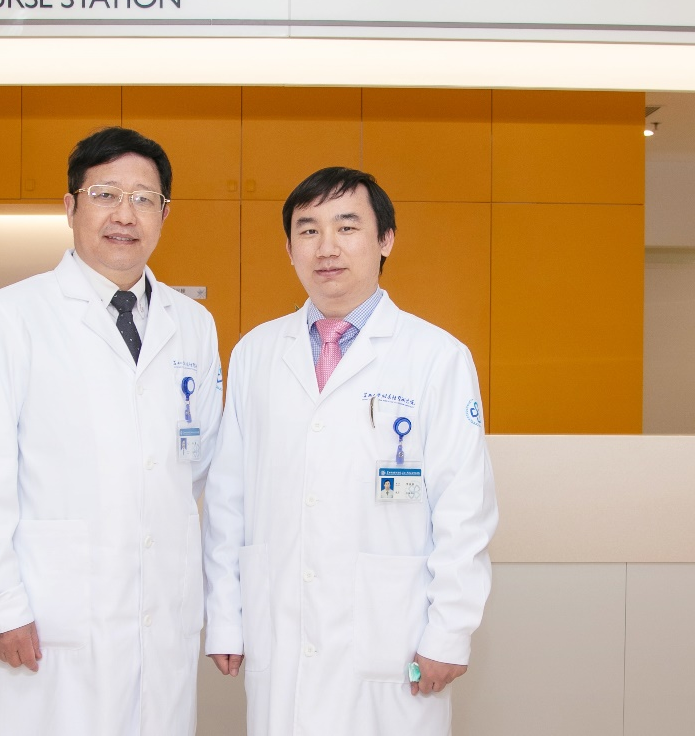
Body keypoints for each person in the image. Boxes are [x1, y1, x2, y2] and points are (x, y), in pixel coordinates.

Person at [0, 126, 224, 736]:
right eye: (105, 194)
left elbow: (196, 466)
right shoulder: (9, 316)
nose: (125, 214)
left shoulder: (193, 324)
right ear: (70, 207)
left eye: (144, 199)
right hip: (52, 616)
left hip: (162, 611)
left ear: (164, 214)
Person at [202, 167, 498, 736]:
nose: (327, 247)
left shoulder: (437, 357)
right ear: (289, 248)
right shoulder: (255, 352)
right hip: (281, 629)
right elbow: (227, 500)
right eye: (308, 230)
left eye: (347, 226)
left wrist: (450, 631)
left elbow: (464, 510)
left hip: (393, 637)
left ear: (385, 239)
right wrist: (224, 617)